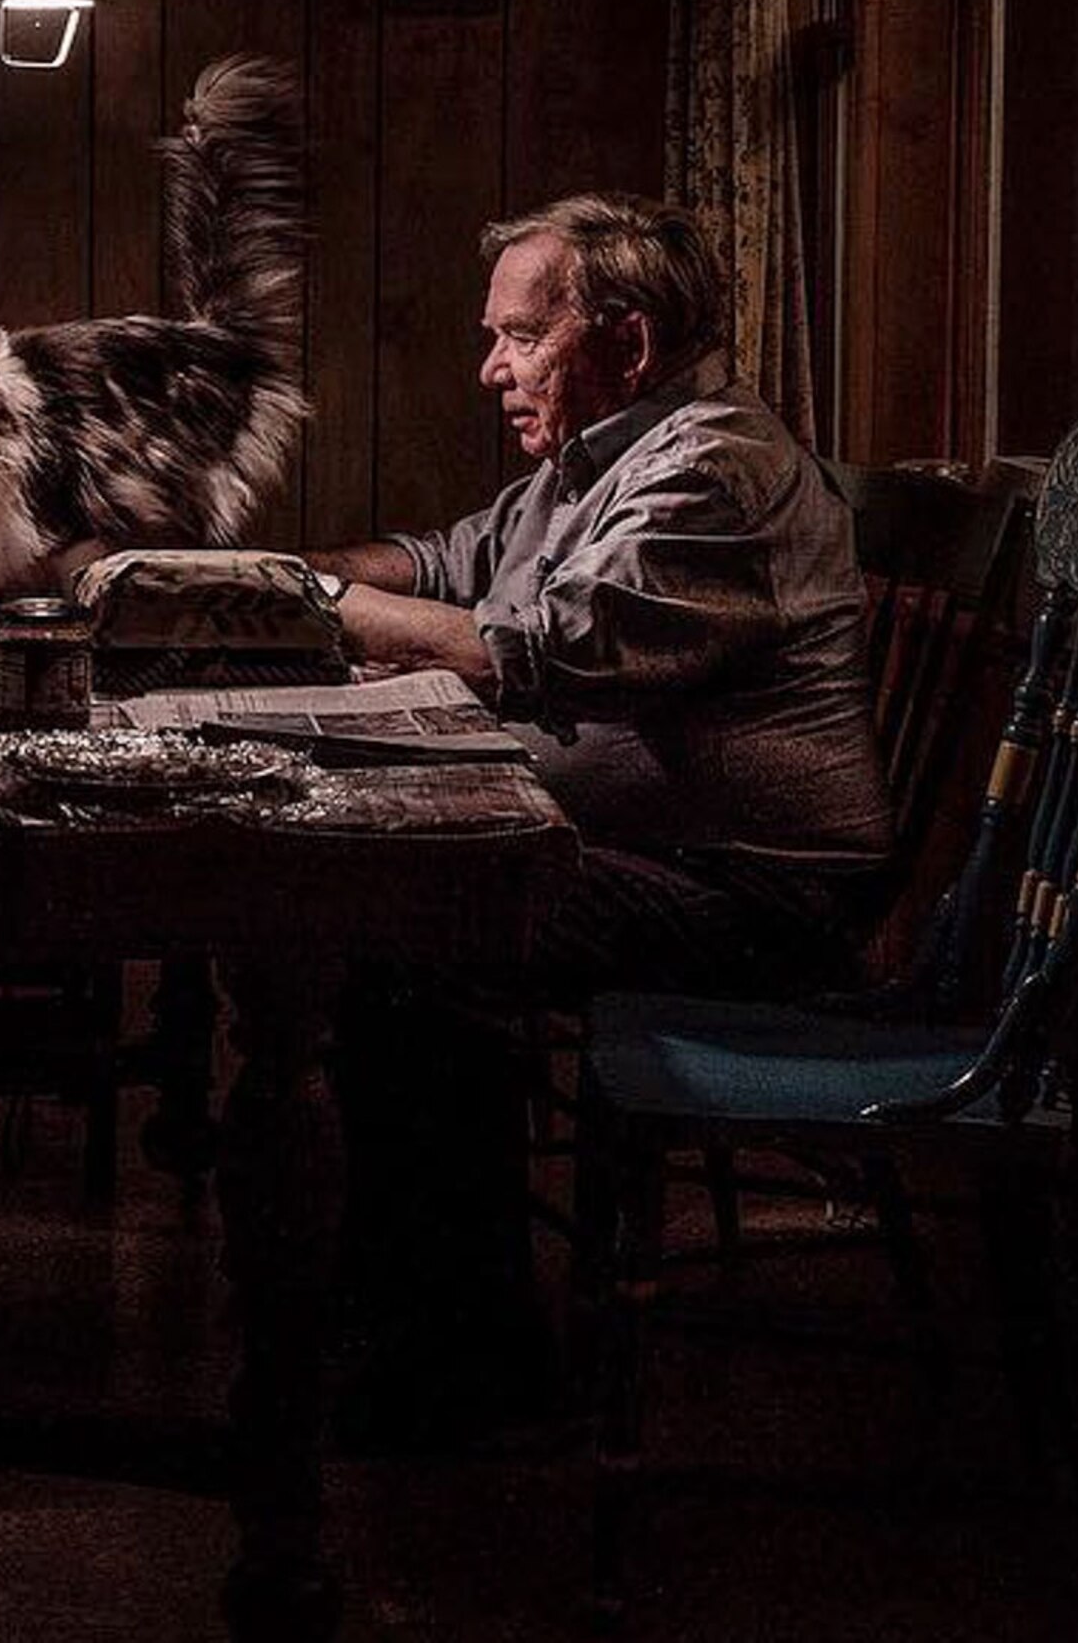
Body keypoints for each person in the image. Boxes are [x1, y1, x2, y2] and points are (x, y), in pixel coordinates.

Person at [303, 191, 888, 1439]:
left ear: (624, 344)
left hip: (754, 899)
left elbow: (531, 649)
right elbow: (451, 561)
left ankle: (464, 1372)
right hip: (668, 863)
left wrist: (301, 609)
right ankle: (402, 1313)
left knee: (414, 927)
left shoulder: (713, 472)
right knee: (390, 910)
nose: (491, 368)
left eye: (520, 337)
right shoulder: (600, 459)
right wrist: (298, 572)